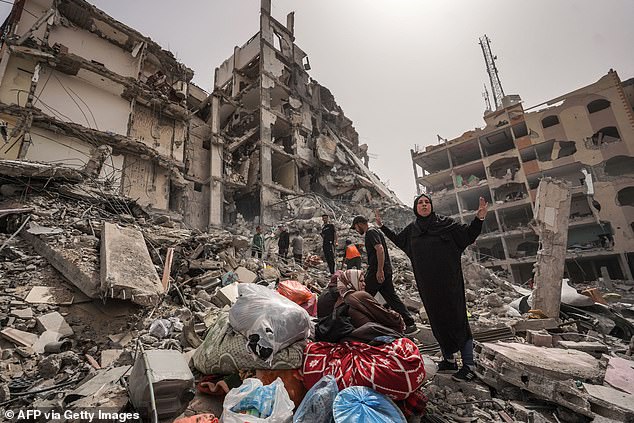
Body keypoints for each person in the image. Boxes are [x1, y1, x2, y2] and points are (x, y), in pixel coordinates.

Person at [376, 194, 488, 382]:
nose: (424, 204)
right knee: (437, 320)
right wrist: (382, 228)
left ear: (431, 206)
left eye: (427, 202)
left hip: (450, 284)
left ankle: (469, 365)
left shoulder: (447, 225)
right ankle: (449, 360)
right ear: (415, 208)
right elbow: (398, 240)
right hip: (428, 287)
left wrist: (479, 218)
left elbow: (468, 235)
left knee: (458, 320)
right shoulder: (412, 230)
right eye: (420, 202)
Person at [351, 215, 418, 336]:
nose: (356, 230)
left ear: (359, 224)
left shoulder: (371, 232)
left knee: (363, 297)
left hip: (377, 271)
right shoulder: (375, 231)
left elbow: (380, 249)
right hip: (383, 270)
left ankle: (359, 324)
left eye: (355, 227)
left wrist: (379, 270)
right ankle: (410, 323)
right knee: (391, 297)